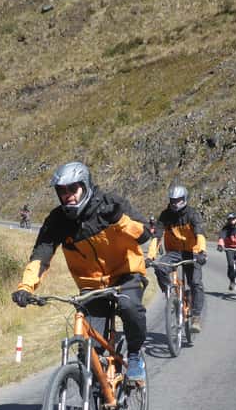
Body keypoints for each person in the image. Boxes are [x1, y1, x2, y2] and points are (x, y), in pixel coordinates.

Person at [11, 162, 151, 383]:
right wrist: (26, 287)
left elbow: (145, 234)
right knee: (89, 351)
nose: (67, 195)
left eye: (72, 189)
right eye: (62, 191)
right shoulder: (57, 221)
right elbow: (41, 256)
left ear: (85, 186)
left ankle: (134, 355)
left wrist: (120, 220)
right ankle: (96, 392)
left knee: (129, 307)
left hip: (127, 274)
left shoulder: (111, 204)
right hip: (91, 286)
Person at [147, 185, 207, 333]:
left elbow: (199, 234)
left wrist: (201, 252)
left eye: (178, 200)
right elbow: (157, 236)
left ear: (185, 199)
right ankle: (171, 294)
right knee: (160, 267)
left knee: (195, 283)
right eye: (173, 200)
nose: (175, 203)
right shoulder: (165, 215)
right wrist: (150, 257)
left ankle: (196, 317)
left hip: (192, 252)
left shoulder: (192, 214)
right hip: (174, 252)